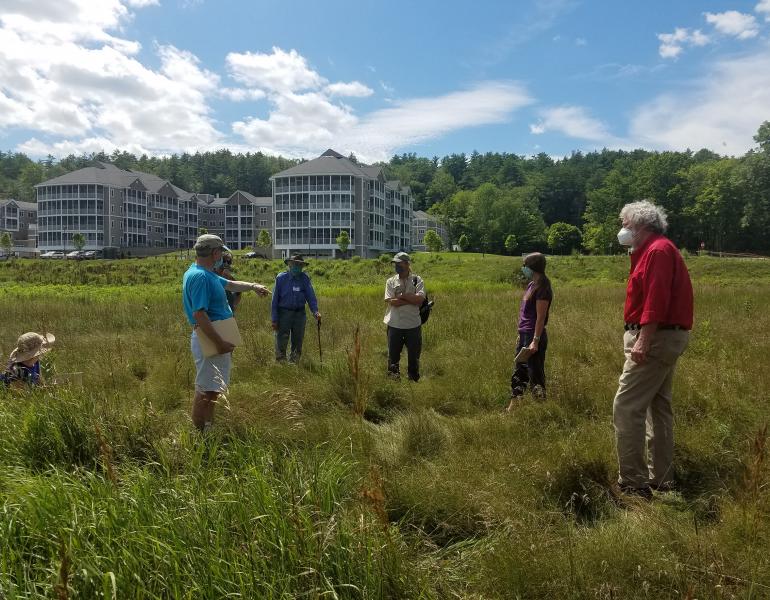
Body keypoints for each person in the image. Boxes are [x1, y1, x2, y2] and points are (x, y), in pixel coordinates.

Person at [612, 200, 693, 499]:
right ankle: (662, 479)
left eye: (625, 225)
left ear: (641, 226)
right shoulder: (652, 250)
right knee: (658, 408)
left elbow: (656, 298)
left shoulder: (657, 250)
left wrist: (644, 339)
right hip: (664, 336)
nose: (622, 230)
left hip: (655, 338)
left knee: (627, 406)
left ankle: (632, 483)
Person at [183, 234, 270, 431]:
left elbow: (230, 285)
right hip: (211, 338)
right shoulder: (199, 277)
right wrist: (220, 343)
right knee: (205, 390)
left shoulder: (207, 273)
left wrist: (253, 286)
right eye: (221, 252)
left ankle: (208, 427)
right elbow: (199, 314)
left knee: (213, 390)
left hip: (217, 337)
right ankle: (198, 435)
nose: (222, 255)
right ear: (214, 253)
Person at [507, 252, 553, 410]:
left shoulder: (543, 288)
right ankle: (513, 407)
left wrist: (535, 340)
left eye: (525, 265)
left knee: (535, 373)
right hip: (524, 334)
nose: (523, 268)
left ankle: (541, 408)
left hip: (534, 336)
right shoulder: (531, 285)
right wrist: (520, 335)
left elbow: (540, 318)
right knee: (519, 371)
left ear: (533, 267)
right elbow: (524, 313)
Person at [383, 252, 425, 381]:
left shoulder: (417, 280)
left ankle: (413, 381)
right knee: (393, 357)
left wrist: (402, 296)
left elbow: (420, 300)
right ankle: (393, 381)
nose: (396, 266)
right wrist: (411, 298)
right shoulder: (390, 281)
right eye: (395, 263)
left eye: (399, 263)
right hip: (395, 325)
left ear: (407, 264)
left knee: (414, 357)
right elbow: (392, 302)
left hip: (413, 325)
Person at [271, 254, 321, 363]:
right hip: (284, 313)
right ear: (289, 265)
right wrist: (274, 319)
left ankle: (294, 363)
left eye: (299, 265)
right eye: (294, 264)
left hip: (300, 314)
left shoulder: (305, 278)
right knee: (282, 338)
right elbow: (274, 300)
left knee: (298, 340)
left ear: (302, 267)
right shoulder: (281, 278)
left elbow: (310, 296)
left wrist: (315, 311)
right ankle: (281, 362)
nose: (296, 267)